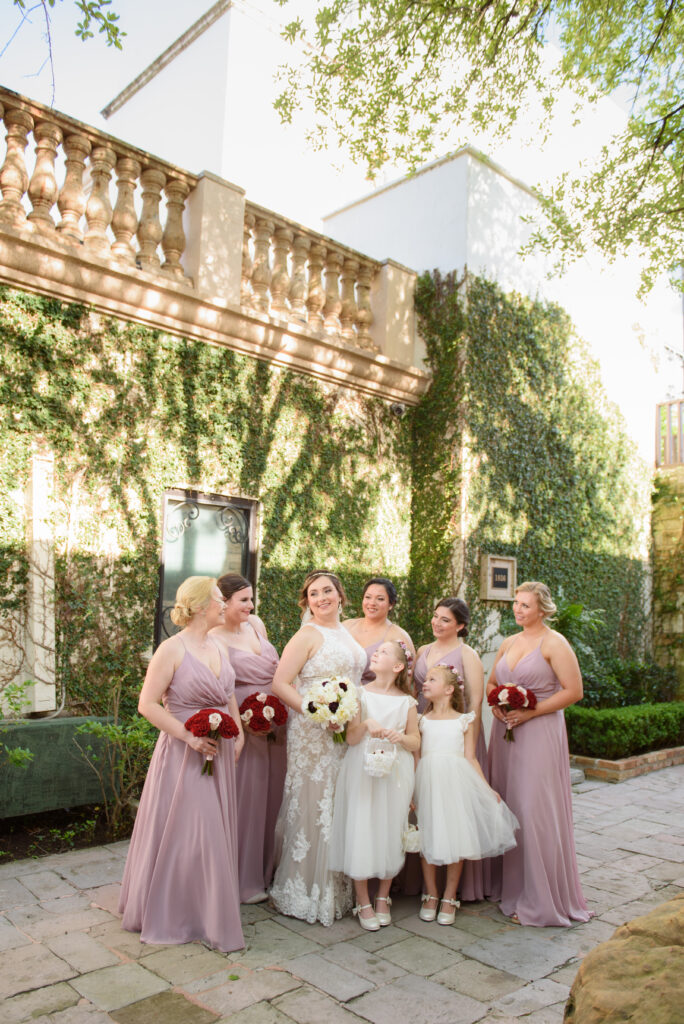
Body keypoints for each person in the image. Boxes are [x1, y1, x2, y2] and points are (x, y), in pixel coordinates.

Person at [119, 576, 245, 952]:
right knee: (194, 833)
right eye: (220, 600)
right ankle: (183, 913)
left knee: (207, 832)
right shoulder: (171, 650)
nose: (225, 606)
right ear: (201, 605)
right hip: (182, 753)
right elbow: (148, 705)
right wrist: (187, 736)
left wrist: (237, 733)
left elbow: (228, 695)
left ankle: (205, 911)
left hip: (217, 751)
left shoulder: (219, 646)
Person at [487, 581, 592, 927]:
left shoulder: (555, 643)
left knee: (534, 811)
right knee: (509, 806)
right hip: (505, 733)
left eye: (526, 605)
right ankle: (511, 888)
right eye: (516, 604)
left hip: (539, 733)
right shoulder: (508, 642)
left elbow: (574, 691)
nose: (518, 610)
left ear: (542, 610)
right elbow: (491, 684)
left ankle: (540, 899)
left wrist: (533, 711)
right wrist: (496, 706)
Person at [270, 570, 367, 926]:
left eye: (328, 590)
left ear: (341, 595)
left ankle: (342, 890)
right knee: (317, 802)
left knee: (341, 801)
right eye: (314, 594)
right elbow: (280, 683)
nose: (322, 597)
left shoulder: (345, 631)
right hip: (314, 732)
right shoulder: (306, 635)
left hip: (346, 729)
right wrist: (315, 712)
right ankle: (307, 890)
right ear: (307, 601)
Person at [415, 665, 518, 925]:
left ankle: (450, 895)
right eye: (425, 679)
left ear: (449, 689)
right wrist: (412, 791)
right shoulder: (420, 720)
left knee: (456, 835)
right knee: (427, 834)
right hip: (428, 781)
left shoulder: (465, 720)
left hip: (455, 782)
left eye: (432, 679)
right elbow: (416, 758)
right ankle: (431, 893)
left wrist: (486, 788)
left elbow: (471, 758)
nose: (425, 683)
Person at [330, 640, 419, 930]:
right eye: (375, 652)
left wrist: (400, 737)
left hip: (396, 769)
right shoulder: (358, 694)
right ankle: (362, 900)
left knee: (390, 828)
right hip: (362, 768)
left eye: (382, 652)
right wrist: (366, 725)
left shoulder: (407, 702)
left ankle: (383, 896)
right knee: (362, 825)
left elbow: (415, 741)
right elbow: (352, 738)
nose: (375, 654)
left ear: (397, 666)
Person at [405, 597, 488, 901]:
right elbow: (414, 691)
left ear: (461, 626)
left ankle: (453, 893)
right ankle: (426, 889)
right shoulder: (423, 651)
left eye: (445, 620)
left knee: (454, 818)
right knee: (426, 816)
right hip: (425, 732)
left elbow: (476, 702)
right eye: (435, 617)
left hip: (457, 737)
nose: (437, 624)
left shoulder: (468, 655)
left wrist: (470, 743)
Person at [211, 572, 286, 905]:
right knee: (248, 801)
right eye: (243, 600)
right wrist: (243, 722)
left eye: (251, 598)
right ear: (223, 602)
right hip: (245, 724)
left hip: (277, 725)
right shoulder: (214, 638)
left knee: (274, 799)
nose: (251, 605)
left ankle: (266, 870)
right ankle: (242, 879)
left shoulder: (256, 624)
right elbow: (223, 688)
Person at [343, 577, 416, 684]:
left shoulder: (398, 636)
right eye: (368, 597)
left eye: (380, 599)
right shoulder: (346, 626)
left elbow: (406, 681)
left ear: (391, 604)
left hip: (374, 698)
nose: (372, 603)